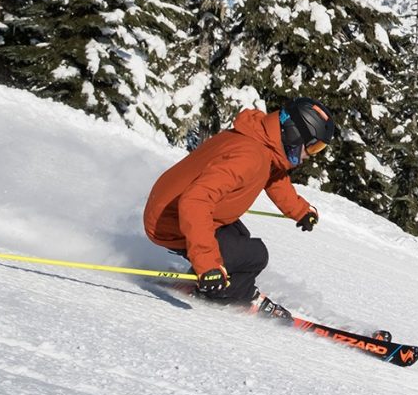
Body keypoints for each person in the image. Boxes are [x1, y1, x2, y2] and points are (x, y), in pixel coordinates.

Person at [143, 98, 337, 310]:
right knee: (255, 256)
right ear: (294, 133)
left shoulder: (260, 142)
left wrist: (299, 210)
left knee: (240, 240)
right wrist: (207, 265)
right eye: (313, 147)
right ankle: (234, 295)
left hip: (173, 208)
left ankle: (209, 280)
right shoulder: (249, 156)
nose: (311, 155)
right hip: (171, 221)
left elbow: (273, 177)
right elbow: (195, 201)